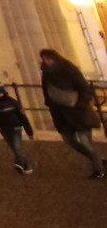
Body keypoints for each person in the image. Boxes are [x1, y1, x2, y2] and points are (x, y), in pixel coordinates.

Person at [36, 48, 105, 178]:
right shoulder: (46, 73)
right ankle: (98, 160)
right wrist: (50, 105)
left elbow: (84, 89)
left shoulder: (69, 70)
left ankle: (98, 170)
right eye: (44, 59)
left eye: (48, 58)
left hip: (79, 113)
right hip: (62, 114)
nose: (46, 61)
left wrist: (80, 105)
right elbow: (46, 91)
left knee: (85, 142)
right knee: (69, 140)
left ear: (55, 58)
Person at [0, 76, 35, 174]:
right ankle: (26, 165)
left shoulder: (13, 102)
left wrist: (29, 131)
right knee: (13, 147)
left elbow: (23, 117)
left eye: (0, 92)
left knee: (17, 146)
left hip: (16, 127)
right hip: (2, 127)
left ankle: (18, 164)